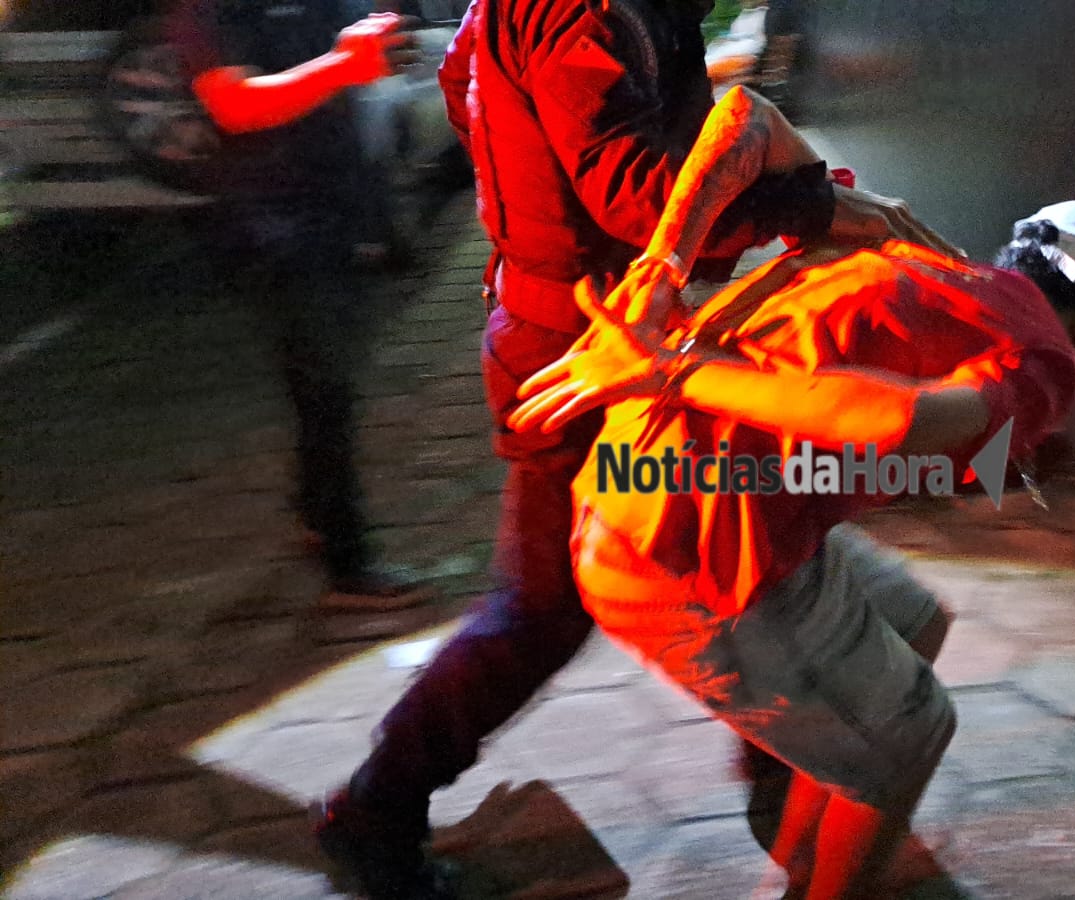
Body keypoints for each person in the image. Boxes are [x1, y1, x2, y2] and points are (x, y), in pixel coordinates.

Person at [311, 1, 958, 897]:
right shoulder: (584, 10)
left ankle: (783, 772)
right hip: (586, 343)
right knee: (548, 605)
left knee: (735, 528)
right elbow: (639, 195)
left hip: (592, 322)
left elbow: (468, 82)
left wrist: (532, 172)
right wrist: (825, 206)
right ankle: (374, 812)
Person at [509, 86, 1075, 898]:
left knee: (917, 622)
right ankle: (829, 848)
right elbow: (896, 423)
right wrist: (671, 366)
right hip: (679, 549)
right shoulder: (1048, 361)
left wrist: (663, 264)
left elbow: (744, 113)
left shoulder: (937, 262)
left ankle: (807, 822)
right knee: (917, 731)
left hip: (655, 484)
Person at [174, 1, 430, 604]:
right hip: (276, 223)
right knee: (324, 390)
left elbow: (357, 57)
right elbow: (234, 104)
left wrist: (385, 49)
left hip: (337, 208)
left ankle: (317, 516)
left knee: (324, 390)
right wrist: (343, 64)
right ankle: (348, 564)